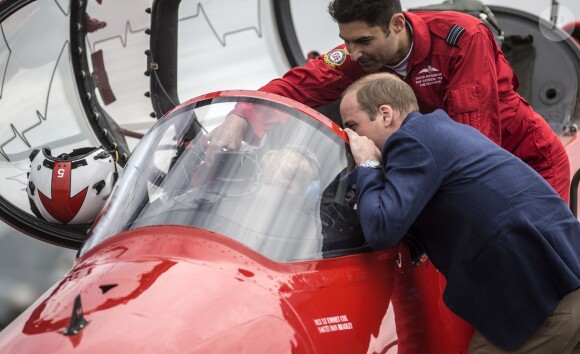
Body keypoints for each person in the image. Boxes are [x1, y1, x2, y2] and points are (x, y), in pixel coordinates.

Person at [206, 0, 570, 203]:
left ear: (397, 24)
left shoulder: (462, 39)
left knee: (546, 267)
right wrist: (241, 114)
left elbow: (472, 137)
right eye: (345, 41)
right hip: (451, 166)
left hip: (526, 160)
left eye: (363, 41)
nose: (352, 52)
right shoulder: (359, 55)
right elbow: (299, 84)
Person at [341, 72, 580, 353]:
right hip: (564, 280)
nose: (351, 138)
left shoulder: (410, 142)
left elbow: (382, 229)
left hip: (545, 300)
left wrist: (367, 165)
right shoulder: (441, 132)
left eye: (353, 126)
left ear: (385, 114)